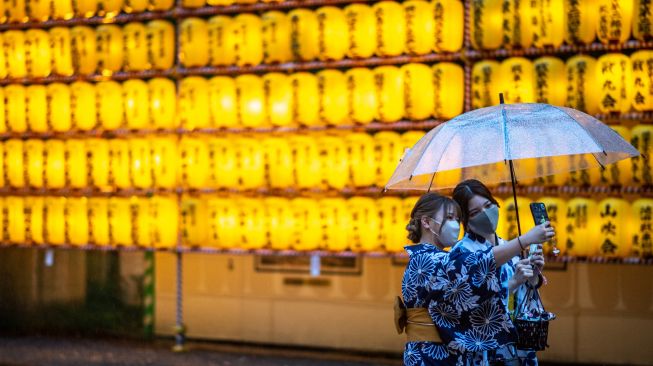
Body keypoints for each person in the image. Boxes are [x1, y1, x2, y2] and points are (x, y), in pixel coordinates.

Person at [397, 192, 554, 365]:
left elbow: (473, 296)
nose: (455, 224)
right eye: (449, 217)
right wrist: (524, 240)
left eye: (457, 219)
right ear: (426, 222)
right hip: (430, 354)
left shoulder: (436, 257)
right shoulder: (426, 259)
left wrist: (523, 279)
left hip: (446, 351)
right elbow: (477, 264)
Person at [452, 179, 546, 365]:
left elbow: (525, 297)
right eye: (475, 212)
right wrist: (512, 283)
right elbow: (471, 304)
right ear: (466, 221)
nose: (485, 214)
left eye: (488, 205)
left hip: (517, 344)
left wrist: (533, 276)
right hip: (486, 348)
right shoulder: (461, 252)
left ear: (496, 203)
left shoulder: (507, 246)